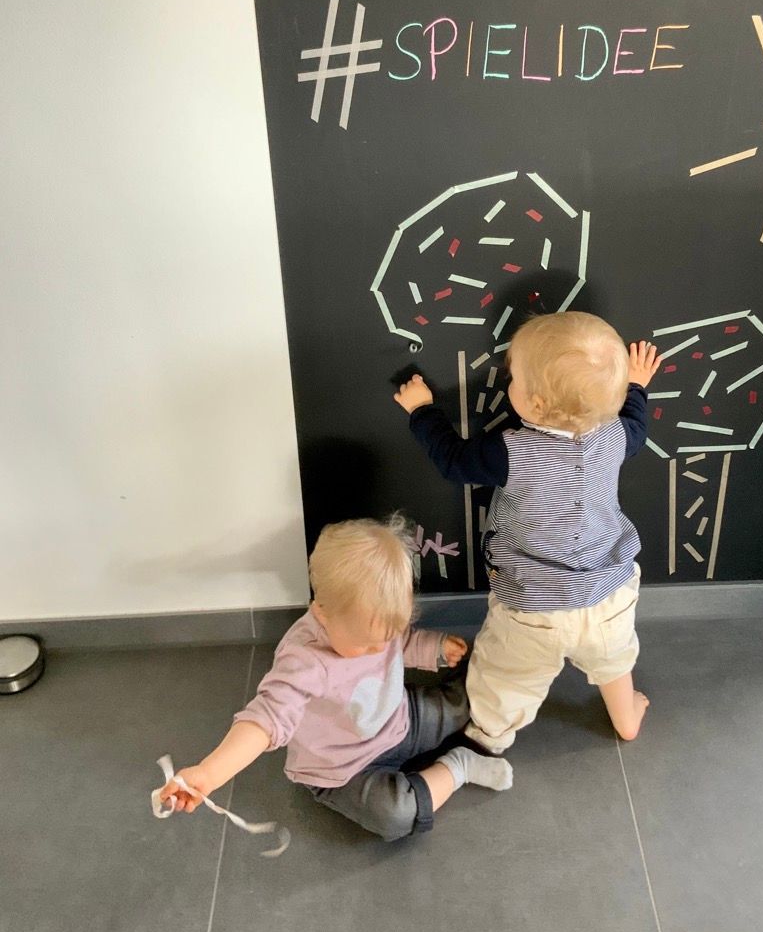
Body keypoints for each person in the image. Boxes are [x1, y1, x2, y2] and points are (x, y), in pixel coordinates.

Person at [394, 311, 661, 752]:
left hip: (532, 607)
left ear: (535, 404)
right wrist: (635, 386)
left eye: (513, 378)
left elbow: (454, 461)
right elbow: (637, 423)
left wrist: (422, 411)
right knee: (614, 661)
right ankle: (626, 718)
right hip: (609, 595)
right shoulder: (617, 435)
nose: (507, 381)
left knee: (507, 679)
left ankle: (488, 739)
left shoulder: (510, 451)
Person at [158, 516, 512, 842]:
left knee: (465, 702)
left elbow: (400, 641)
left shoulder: (373, 626)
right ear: (322, 613)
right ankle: (457, 767)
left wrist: (433, 648)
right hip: (343, 770)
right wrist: (210, 772)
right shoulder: (304, 660)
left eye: (388, 636)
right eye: (366, 644)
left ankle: (506, 671)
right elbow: (265, 719)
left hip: (400, 720)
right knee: (394, 814)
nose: (380, 649)